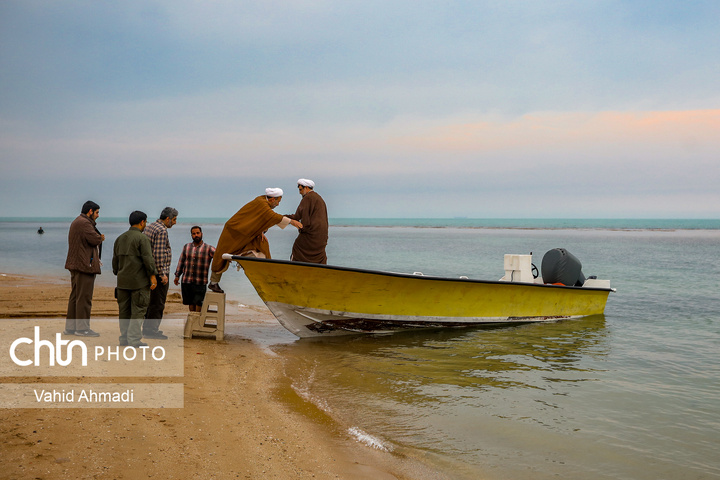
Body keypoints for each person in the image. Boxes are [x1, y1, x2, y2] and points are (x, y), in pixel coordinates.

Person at [209, 188, 302, 293]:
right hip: (233, 231)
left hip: (247, 233)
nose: (278, 205)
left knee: (262, 245)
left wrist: (260, 231)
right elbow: (271, 216)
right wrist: (291, 222)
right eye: (278, 201)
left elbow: (256, 220)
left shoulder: (262, 201)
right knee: (221, 254)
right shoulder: (262, 204)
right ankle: (213, 283)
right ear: (273, 200)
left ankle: (266, 279)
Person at [112, 211, 158, 348]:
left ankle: (124, 339)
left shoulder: (119, 239)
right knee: (138, 311)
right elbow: (148, 260)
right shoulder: (142, 239)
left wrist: (118, 273)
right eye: (146, 222)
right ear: (142, 222)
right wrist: (153, 276)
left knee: (124, 312)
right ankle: (134, 340)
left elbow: (115, 262)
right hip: (139, 283)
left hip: (122, 282)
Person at [64, 200, 105, 337]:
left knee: (75, 297)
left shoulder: (78, 221)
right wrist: (100, 237)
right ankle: (82, 329)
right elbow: (95, 239)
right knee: (84, 298)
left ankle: (71, 327)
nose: (98, 215)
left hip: (76, 264)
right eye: (97, 212)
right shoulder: (85, 223)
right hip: (84, 266)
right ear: (90, 211)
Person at [142, 207, 178, 340]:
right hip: (158, 272)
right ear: (168, 219)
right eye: (174, 220)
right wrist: (162, 274)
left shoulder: (150, 226)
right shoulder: (162, 230)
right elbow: (158, 254)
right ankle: (151, 330)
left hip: (149, 271)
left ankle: (147, 328)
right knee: (158, 302)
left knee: (150, 302)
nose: (175, 223)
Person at [287, 178, 329, 264]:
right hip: (322, 237)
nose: (299, 192)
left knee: (297, 246)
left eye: (300, 190)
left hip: (311, 235)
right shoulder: (319, 198)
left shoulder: (307, 198)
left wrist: (281, 218)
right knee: (319, 255)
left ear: (306, 188)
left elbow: (301, 217)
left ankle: (294, 269)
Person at [174, 226, 216, 311]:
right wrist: (177, 275)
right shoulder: (187, 247)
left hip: (200, 282)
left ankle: (197, 323)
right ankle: (193, 322)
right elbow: (181, 261)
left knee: (199, 304)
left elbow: (218, 256)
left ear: (201, 234)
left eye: (198, 233)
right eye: (194, 233)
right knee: (191, 304)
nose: (196, 235)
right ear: (191, 235)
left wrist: (226, 259)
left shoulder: (208, 248)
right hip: (187, 280)